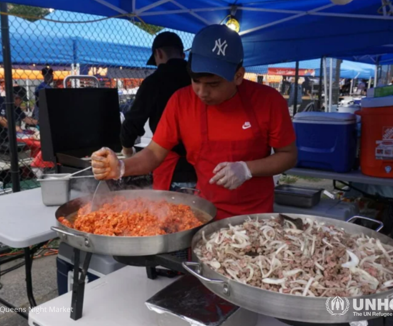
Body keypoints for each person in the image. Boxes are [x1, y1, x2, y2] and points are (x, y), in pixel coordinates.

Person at [91, 25, 297, 220]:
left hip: (256, 215)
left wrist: (247, 169)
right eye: (195, 81)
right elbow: (154, 152)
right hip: (204, 212)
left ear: (238, 76)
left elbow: (288, 155)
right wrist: (121, 166)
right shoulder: (181, 101)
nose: (202, 92)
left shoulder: (268, 101)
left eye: (213, 84)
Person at [120, 32, 197, 191]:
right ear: (182, 55)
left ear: (158, 53)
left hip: (168, 161)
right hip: (203, 164)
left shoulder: (154, 82)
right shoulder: (197, 79)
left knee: (169, 210)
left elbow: (134, 121)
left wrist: (127, 149)